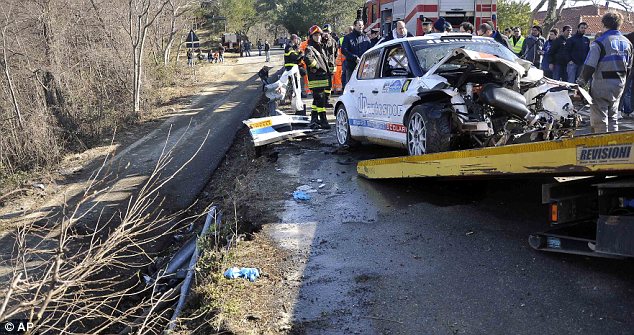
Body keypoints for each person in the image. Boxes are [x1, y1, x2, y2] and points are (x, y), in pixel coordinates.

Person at [577, 12, 633, 133]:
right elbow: (629, 68)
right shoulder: (627, 43)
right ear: (620, 25)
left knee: (599, 119)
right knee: (613, 118)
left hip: (602, 85)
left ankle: (601, 146)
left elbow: (589, 66)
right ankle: (614, 145)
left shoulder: (600, 42)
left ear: (603, 24)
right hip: (619, 84)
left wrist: (580, 84)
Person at [304, 25, 331, 129]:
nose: (318, 37)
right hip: (317, 80)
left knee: (316, 101)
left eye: (319, 35)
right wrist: (317, 66)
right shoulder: (309, 48)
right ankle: (324, 121)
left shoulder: (320, 47)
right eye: (315, 35)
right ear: (311, 36)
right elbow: (307, 59)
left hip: (323, 79)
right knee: (321, 103)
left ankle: (314, 119)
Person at [341, 19, 371, 87]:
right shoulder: (348, 38)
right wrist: (354, 58)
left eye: (362, 25)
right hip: (351, 66)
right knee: (350, 85)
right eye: (359, 25)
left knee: (362, 86)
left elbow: (369, 51)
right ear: (354, 26)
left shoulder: (366, 38)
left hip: (363, 67)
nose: (361, 27)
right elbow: (344, 50)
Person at [321, 24, 338, 108]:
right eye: (324, 32)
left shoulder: (333, 41)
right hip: (322, 66)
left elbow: (335, 54)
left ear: (330, 32)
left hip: (331, 66)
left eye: (327, 32)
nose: (326, 33)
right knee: (322, 84)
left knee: (329, 85)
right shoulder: (320, 41)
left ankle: (327, 101)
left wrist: (333, 63)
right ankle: (321, 101)